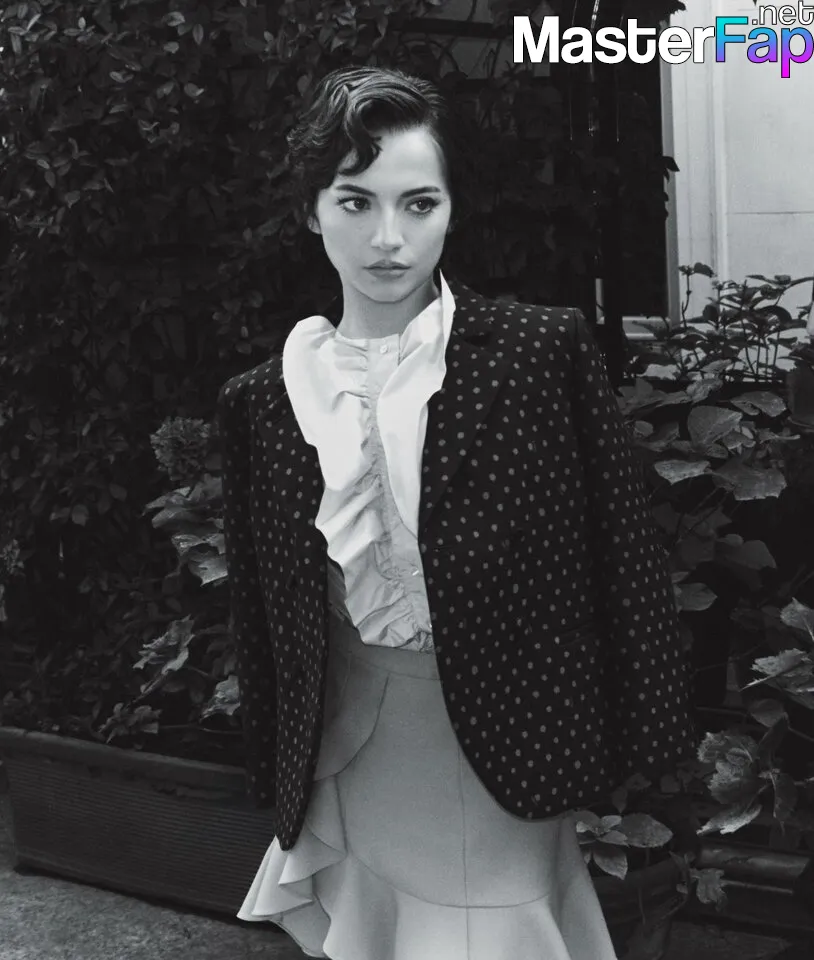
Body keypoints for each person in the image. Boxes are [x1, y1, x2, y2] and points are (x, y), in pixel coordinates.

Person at [217, 64, 695, 960]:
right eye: (355, 202)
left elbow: (621, 555)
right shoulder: (264, 399)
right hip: (345, 752)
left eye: (419, 204)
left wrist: (653, 748)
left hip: (507, 741)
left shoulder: (537, 352)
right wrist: (271, 764)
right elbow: (261, 609)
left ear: (452, 209)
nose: (388, 238)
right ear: (310, 212)